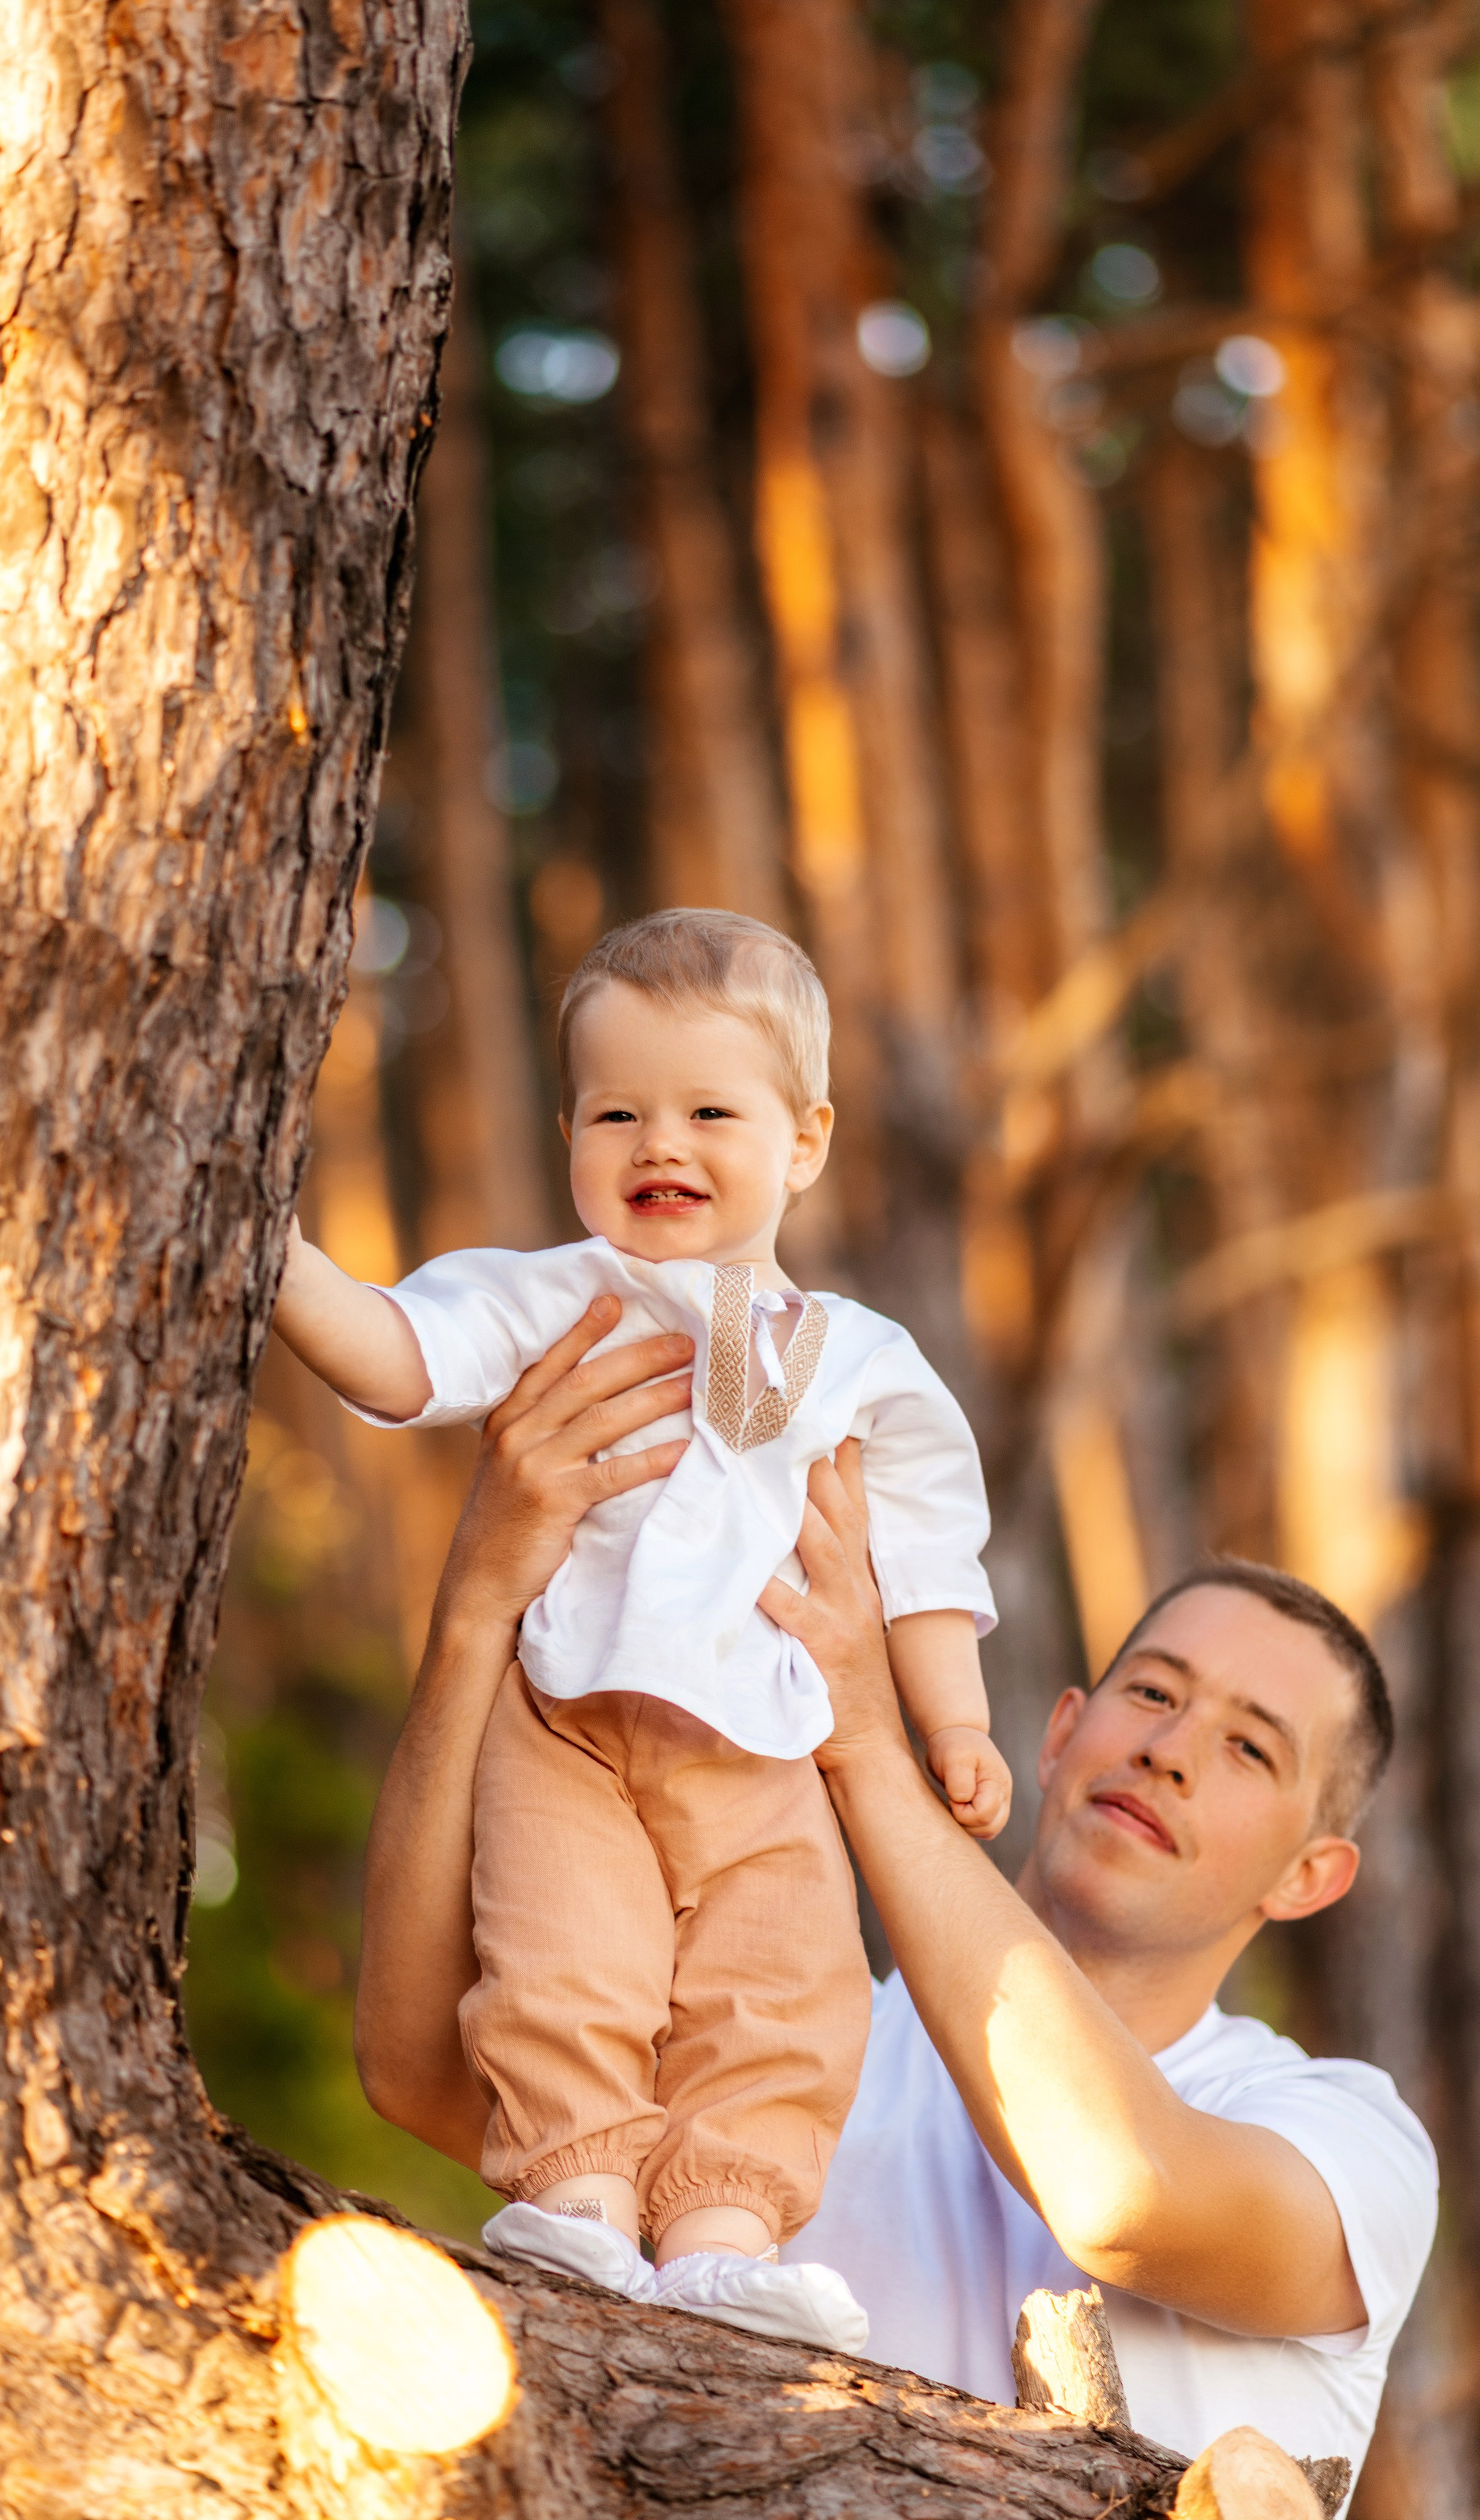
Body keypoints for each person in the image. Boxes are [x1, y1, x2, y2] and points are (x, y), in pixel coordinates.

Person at [357, 1302, 1438, 2497]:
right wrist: (473, 1617)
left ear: (1310, 1877)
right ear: (1064, 1736)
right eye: (1155, 1693)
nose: (1173, 1750)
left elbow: (1126, 2198)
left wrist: (868, 1740)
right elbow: (418, 2068)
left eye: (1251, 1751)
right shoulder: (772, 2048)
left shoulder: (1348, 2137)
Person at [274, 909, 1005, 2351]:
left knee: (783, 1986)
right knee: (565, 1959)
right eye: (617, 1112)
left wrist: (955, 1723)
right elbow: (395, 1355)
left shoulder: (854, 1355)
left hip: (765, 1753)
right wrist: (276, 1252)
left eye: (706, 1111)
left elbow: (923, 1553)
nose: (657, 1141)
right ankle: (582, 2210)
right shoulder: (553, 1297)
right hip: (568, 1728)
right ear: (568, 1137)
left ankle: (724, 2235)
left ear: (802, 1142)